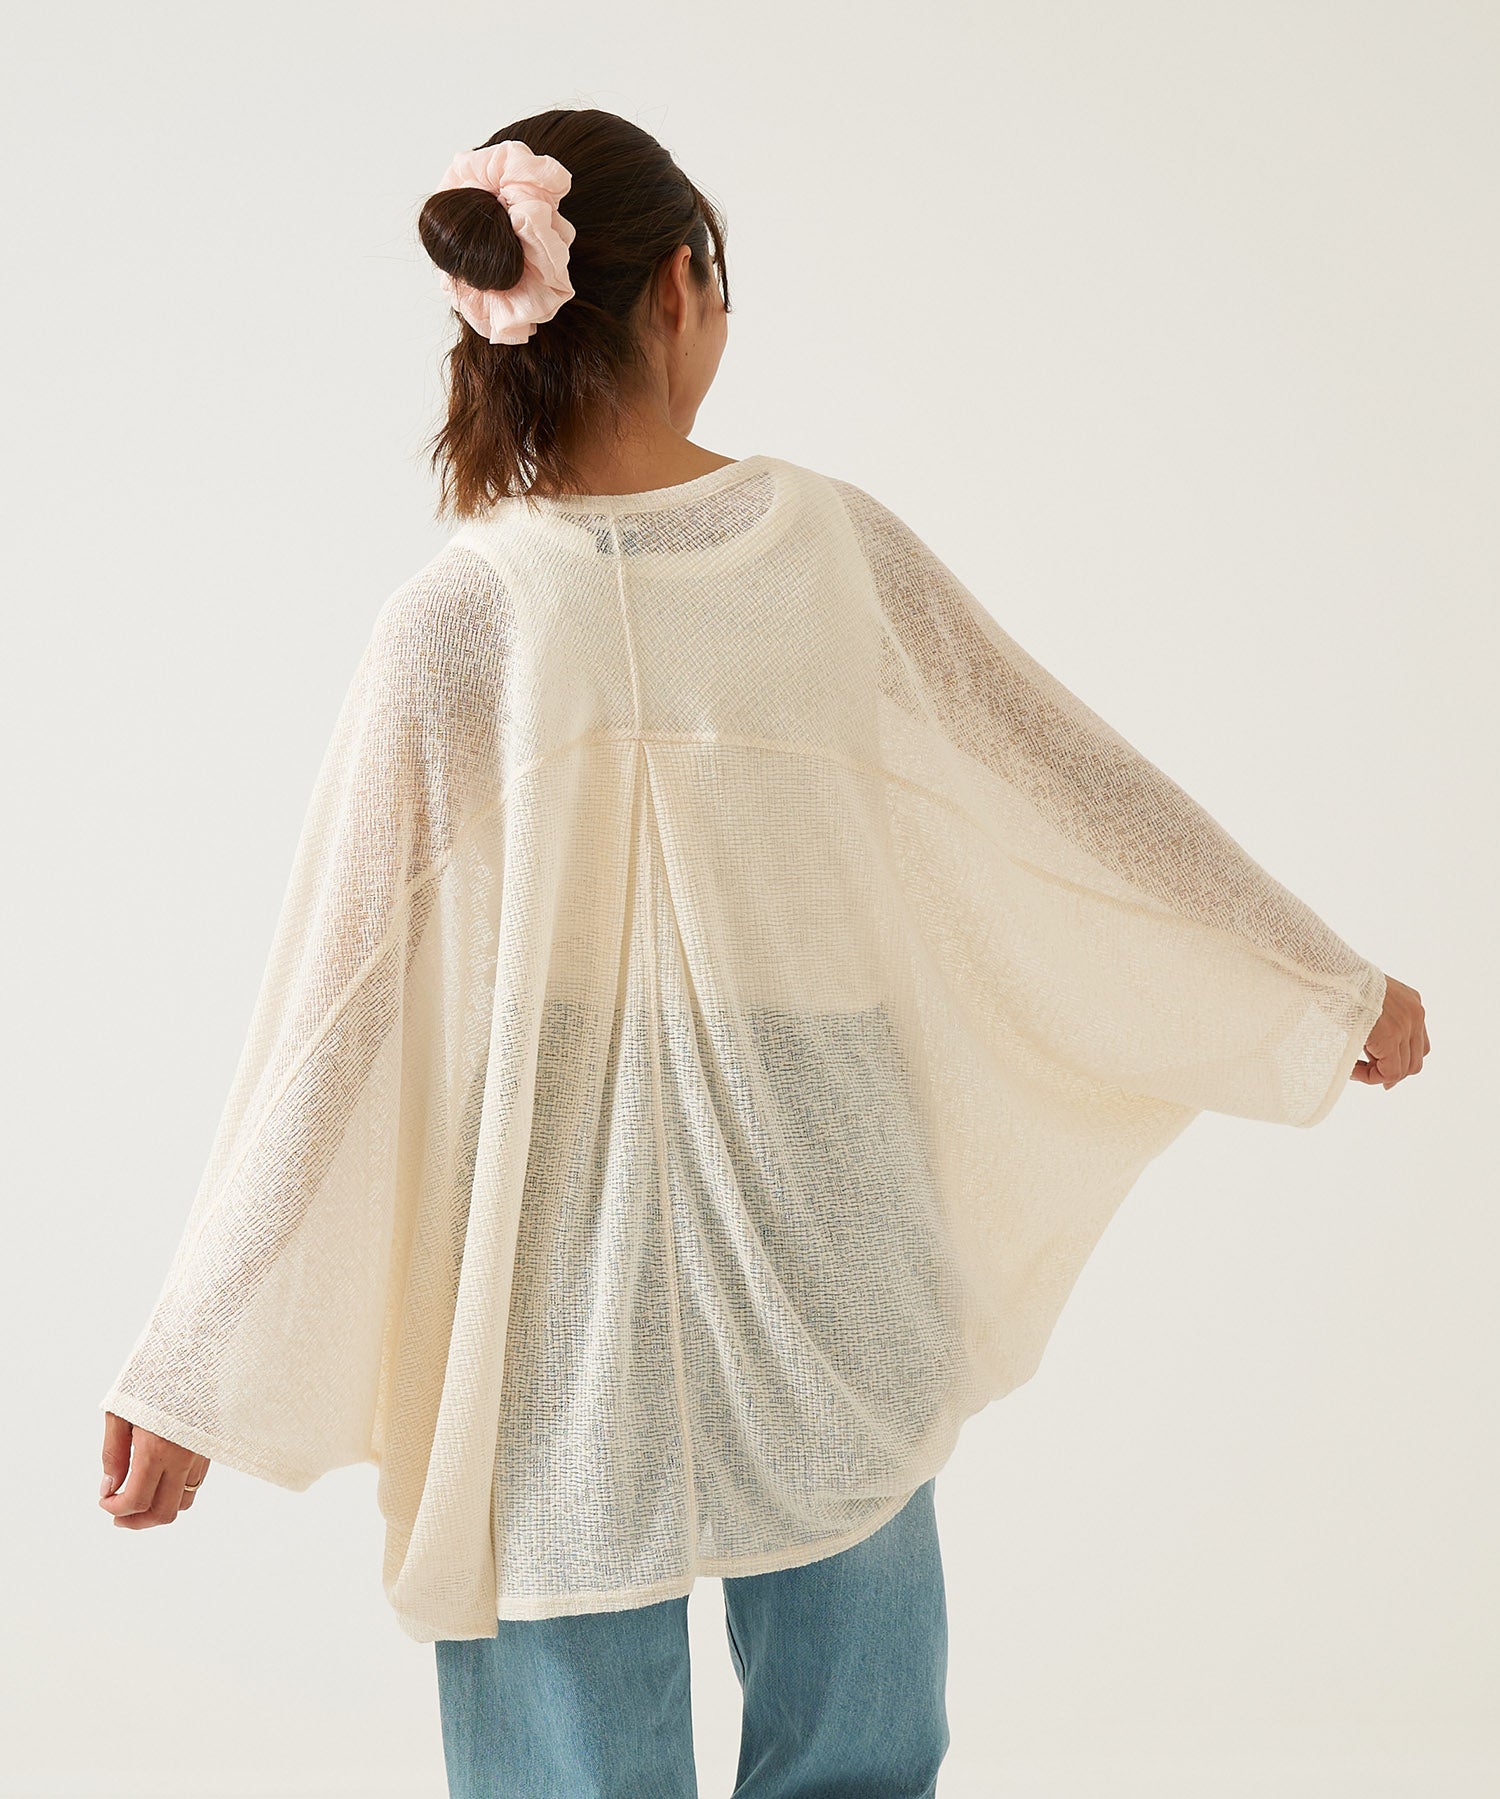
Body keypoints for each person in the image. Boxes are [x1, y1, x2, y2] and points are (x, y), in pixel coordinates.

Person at [98, 108, 1427, 1798]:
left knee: (618, 1714)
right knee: (844, 1717)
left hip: (584, 1171)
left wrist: (188, 1356)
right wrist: (1315, 985)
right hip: (759, 1157)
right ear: (679, 290)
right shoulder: (762, 559)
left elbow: (332, 1008)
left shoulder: (474, 611)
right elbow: (1077, 789)